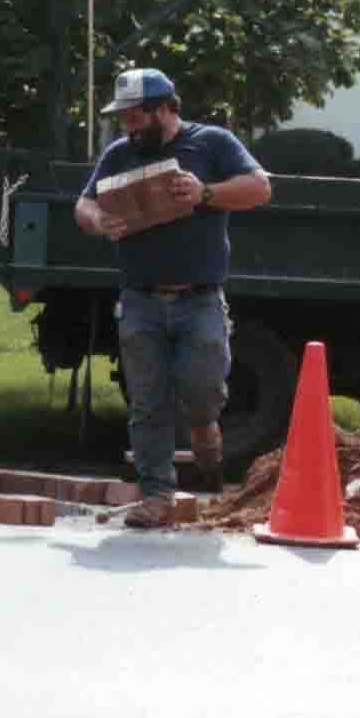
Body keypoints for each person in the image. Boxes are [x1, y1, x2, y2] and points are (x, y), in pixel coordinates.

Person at [74, 68, 271, 528]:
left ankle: (204, 426)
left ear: (164, 109)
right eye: (122, 118)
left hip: (199, 299)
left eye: (135, 117)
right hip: (140, 299)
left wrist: (206, 192)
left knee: (202, 389)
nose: (128, 127)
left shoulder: (212, 143)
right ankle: (157, 495)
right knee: (147, 400)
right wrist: (99, 221)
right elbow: (83, 205)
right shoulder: (120, 154)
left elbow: (260, 187)